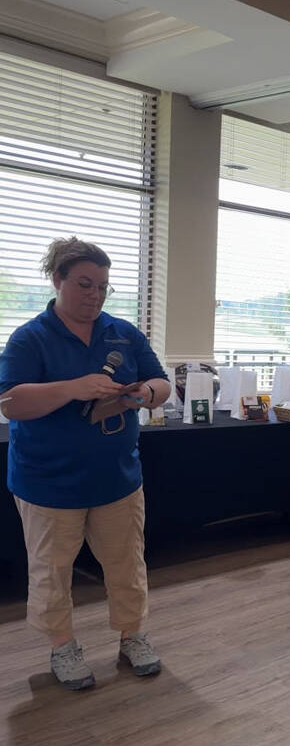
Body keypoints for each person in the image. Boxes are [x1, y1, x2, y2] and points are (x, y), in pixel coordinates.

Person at [0, 237, 171, 690]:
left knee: (126, 564)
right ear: (57, 280)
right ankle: (63, 646)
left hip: (117, 479)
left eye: (102, 287)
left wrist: (143, 395)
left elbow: (161, 381)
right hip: (48, 482)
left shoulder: (123, 332)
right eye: (84, 284)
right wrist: (72, 387)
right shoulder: (30, 338)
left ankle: (132, 636)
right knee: (52, 570)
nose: (94, 295)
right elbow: (11, 403)